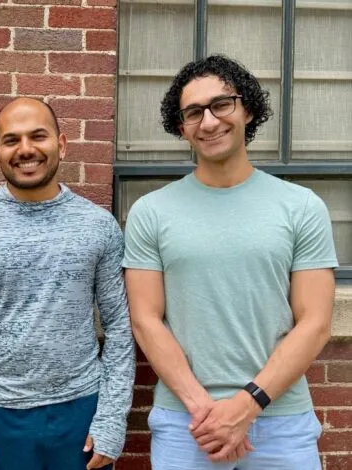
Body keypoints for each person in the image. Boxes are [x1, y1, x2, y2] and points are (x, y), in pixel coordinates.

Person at [123, 55, 337, 469]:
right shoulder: (151, 212)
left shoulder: (301, 207)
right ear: (181, 126)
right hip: (188, 422)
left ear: (248, 109)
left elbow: (316, 322)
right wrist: (204, 409)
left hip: (281, 421)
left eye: (222, 104)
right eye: (193, 113)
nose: (209, 121)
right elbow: (145, 320)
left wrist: (246, 406)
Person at [0, 97, 135, 470]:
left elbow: (120, 328)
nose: (25, 149)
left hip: (81, 414)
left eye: (37, 136)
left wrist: (111, 419)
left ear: (61, 143)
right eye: (12, 140)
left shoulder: (98, 226)